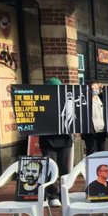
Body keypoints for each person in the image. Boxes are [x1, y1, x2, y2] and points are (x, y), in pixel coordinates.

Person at [39, 76, 73, 208]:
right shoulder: (41, 101)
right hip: (47, 140)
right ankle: (53, 195)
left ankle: (64, 193)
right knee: (51, 168)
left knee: (65, 168)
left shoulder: (65, 100)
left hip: (64, 139)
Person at [81, 80, 108, 155]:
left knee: (102, 151)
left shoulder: (101, 97)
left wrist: (102, 88)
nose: (95, 90)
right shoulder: (85, 99)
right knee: (90, 151)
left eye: (97, 88)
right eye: (93, 88)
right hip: (91, 130)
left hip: (102, 129)